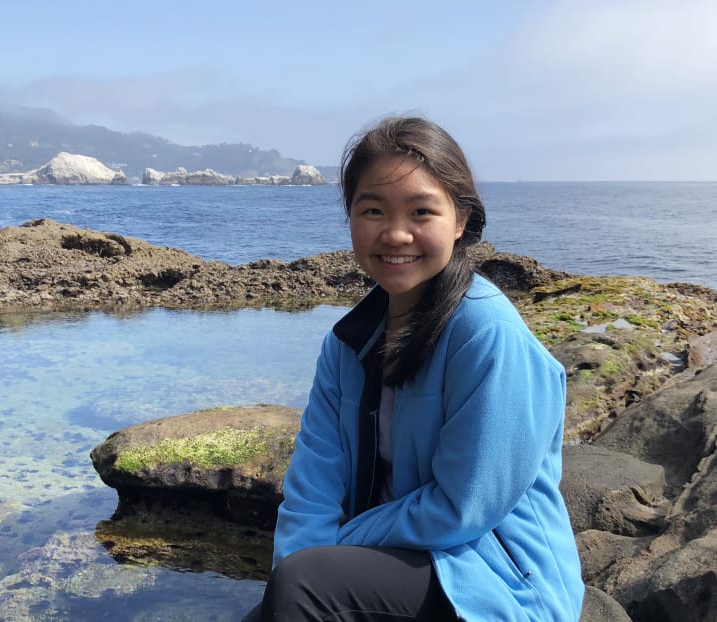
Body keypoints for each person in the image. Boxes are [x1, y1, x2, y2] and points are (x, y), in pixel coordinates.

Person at [244, 116, 584, 621]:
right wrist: (300, 562)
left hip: (496, 574)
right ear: (351, 217)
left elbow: (463, 506)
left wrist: (335, 548)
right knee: (286, 592)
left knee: (304, 587)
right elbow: (312, 488)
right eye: (373, 210)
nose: (396, 234)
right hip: (393, 559)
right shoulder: (348, 345)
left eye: (421, 211)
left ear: (461, 219)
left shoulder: (488, 334)